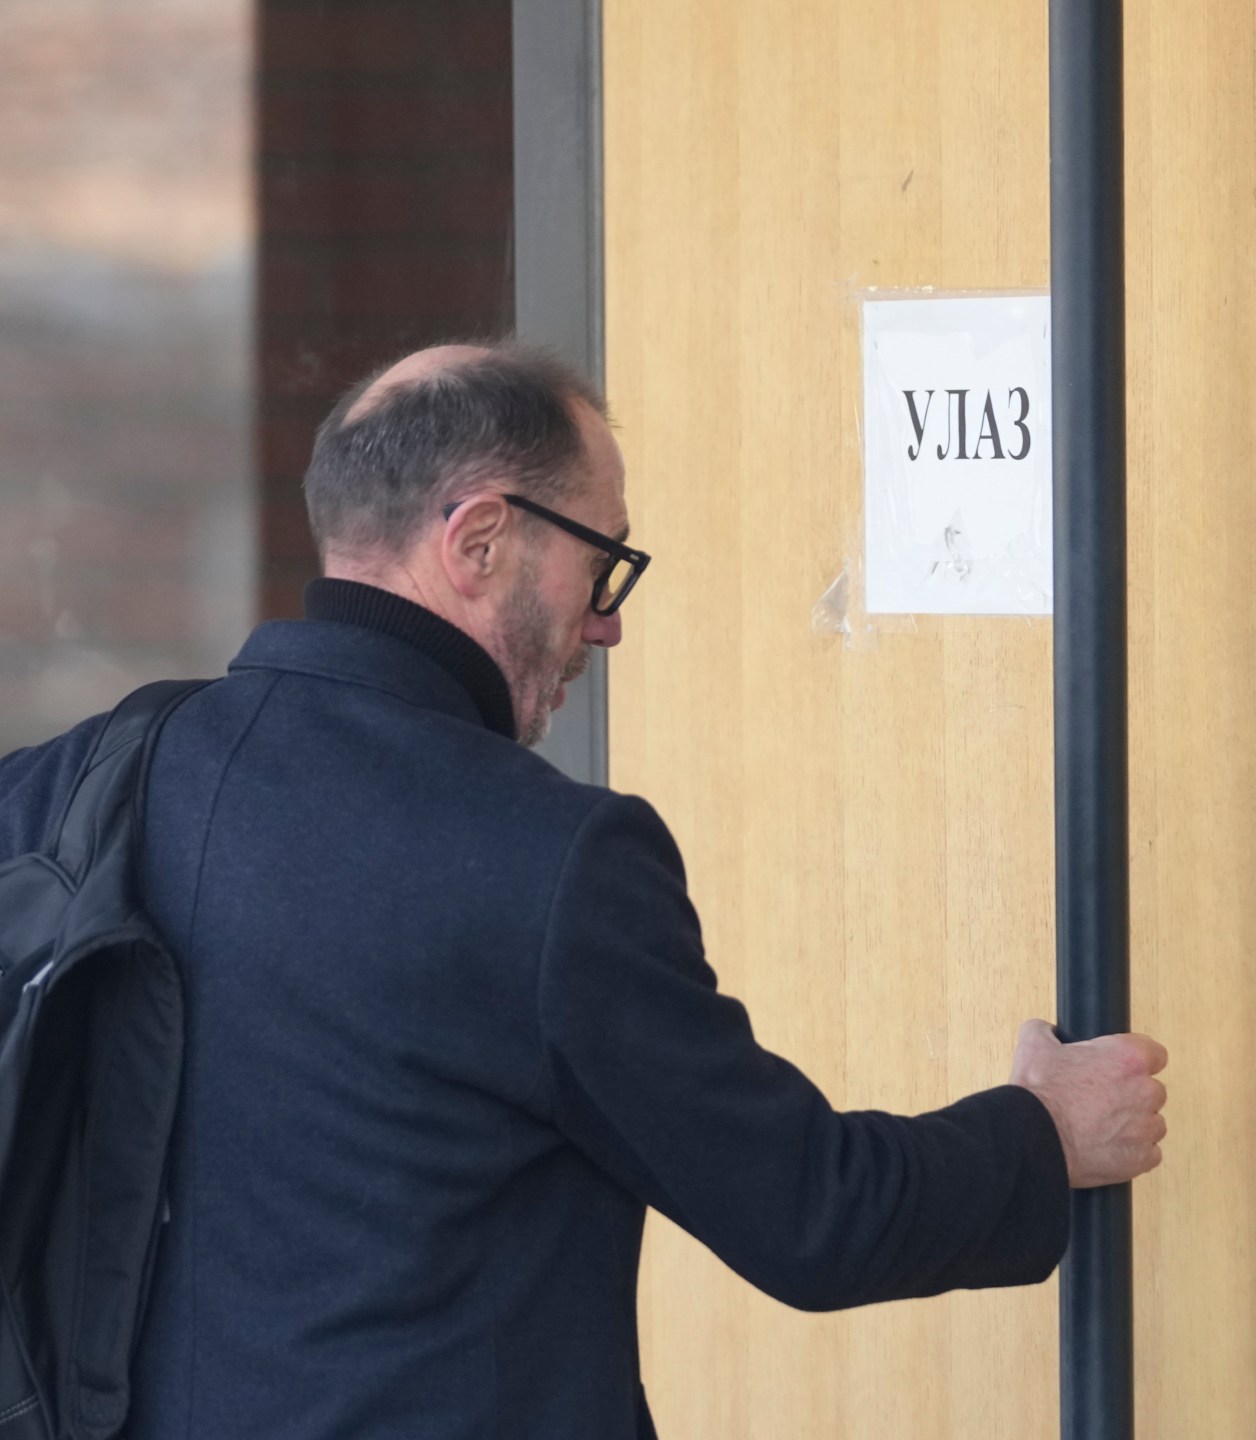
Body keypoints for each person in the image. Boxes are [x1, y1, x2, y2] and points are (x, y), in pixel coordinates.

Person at [0, 340, 1169, 1439]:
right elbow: (812, 1216)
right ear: (480, 541)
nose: (605, 621)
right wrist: (1045, 1133)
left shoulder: (86, 780)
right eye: (601, 559)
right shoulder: (552, 860)